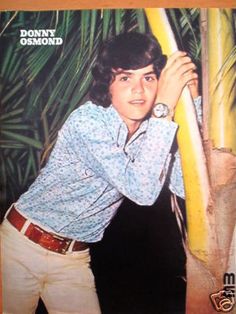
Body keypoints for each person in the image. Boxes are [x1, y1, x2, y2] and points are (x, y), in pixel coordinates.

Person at [1, 31, 201, 314]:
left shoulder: (151, 132)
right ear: (107, 84)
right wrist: (164, 109)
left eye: (148, 77)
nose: (138, 90)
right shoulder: (88, 121)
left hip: (73, 260)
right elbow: (142, 191)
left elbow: (183, 184)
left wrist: (194, 104)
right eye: (125, 78)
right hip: (19, 249)